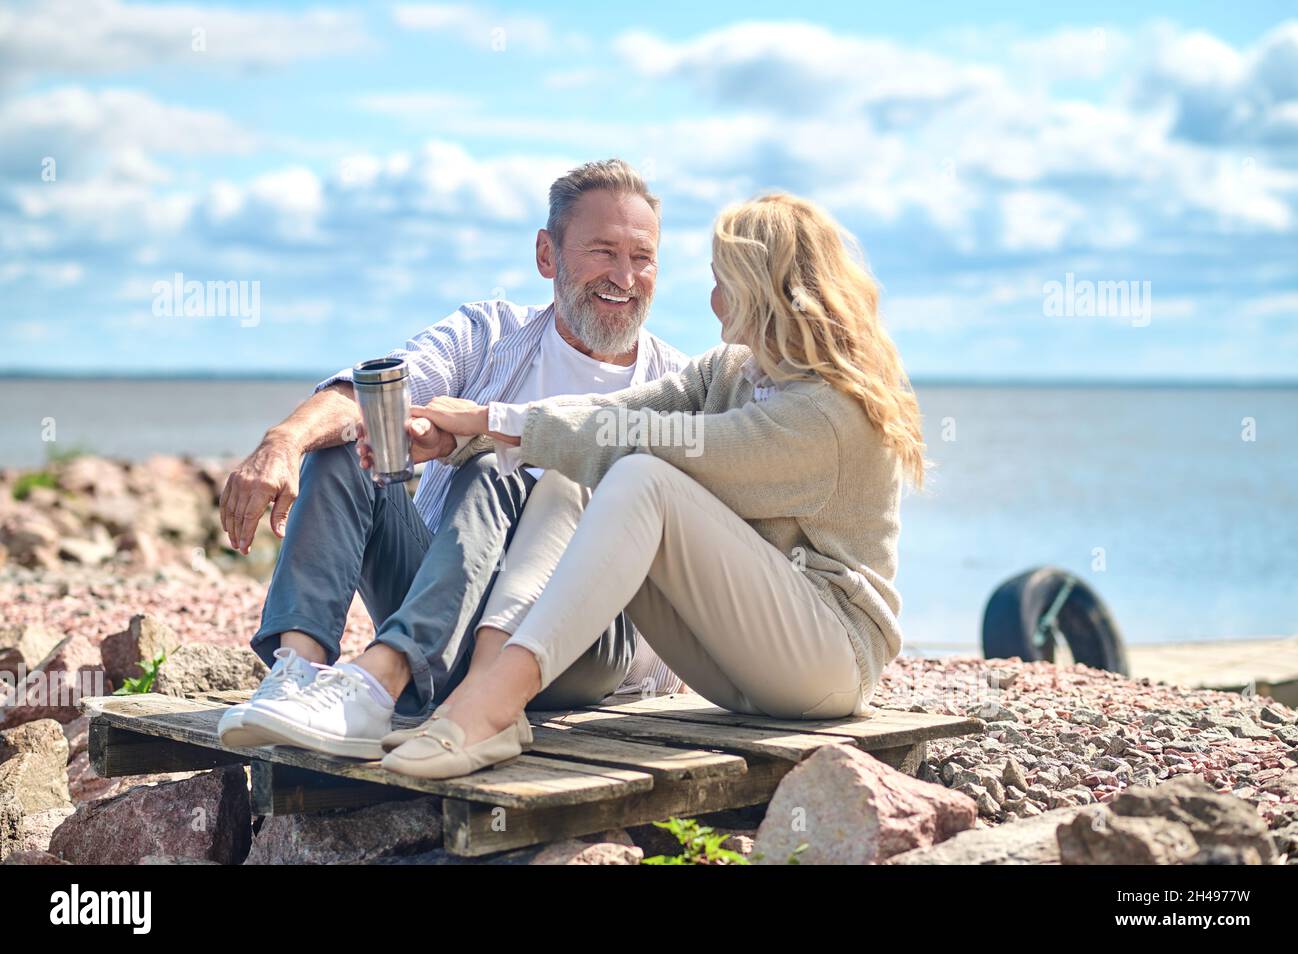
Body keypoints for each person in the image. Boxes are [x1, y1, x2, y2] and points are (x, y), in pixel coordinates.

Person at [373, 191, 928, 780]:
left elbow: (652, 441)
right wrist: (468, 433)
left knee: (640, 472)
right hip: (738, 668)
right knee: (571, 476)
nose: (712, 299)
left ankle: (495, 701)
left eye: (722, 280)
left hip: (828, 662)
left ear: (760, 287)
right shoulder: (730, 370)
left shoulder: (828, 413)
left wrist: (493, 420)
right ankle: (488, 688)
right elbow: (609, 413)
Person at [215, 159, 687, 759]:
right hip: (447, 605)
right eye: (603, 251)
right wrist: (282, 441)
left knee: (495, 466)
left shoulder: (677, 384)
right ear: (547, 255)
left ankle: (381, 682)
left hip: (580, 640)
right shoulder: (488, 333)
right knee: (343, 450)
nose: (624, 276)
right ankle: (297, 676)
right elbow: (368, 395)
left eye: (642, 257)